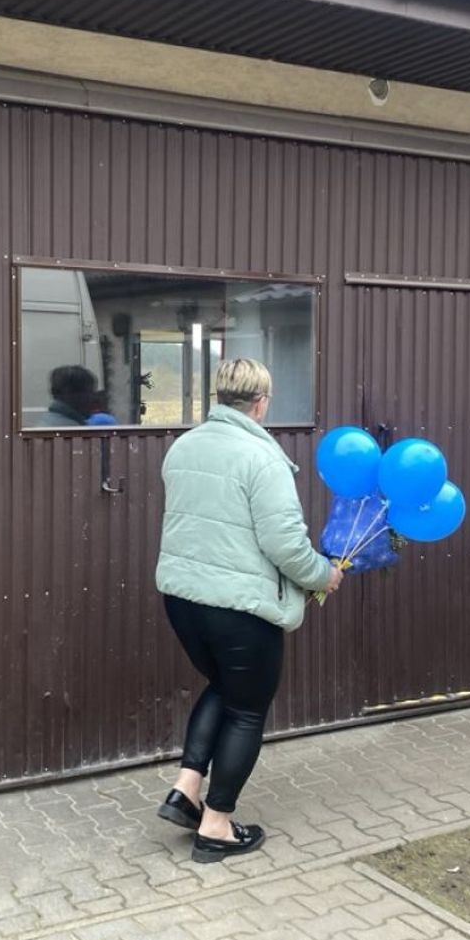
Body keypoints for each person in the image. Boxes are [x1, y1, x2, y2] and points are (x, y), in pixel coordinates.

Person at [154, 357, 343, 862]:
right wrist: (322, 575)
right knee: (247, 709)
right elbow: (285, 544)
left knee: (224, 686)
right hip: (238, 609)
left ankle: (186, 790)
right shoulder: (262, 458)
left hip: (183, 600)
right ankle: (216, 825)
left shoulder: (183, 447)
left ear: (221, 397)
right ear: (261, 403)